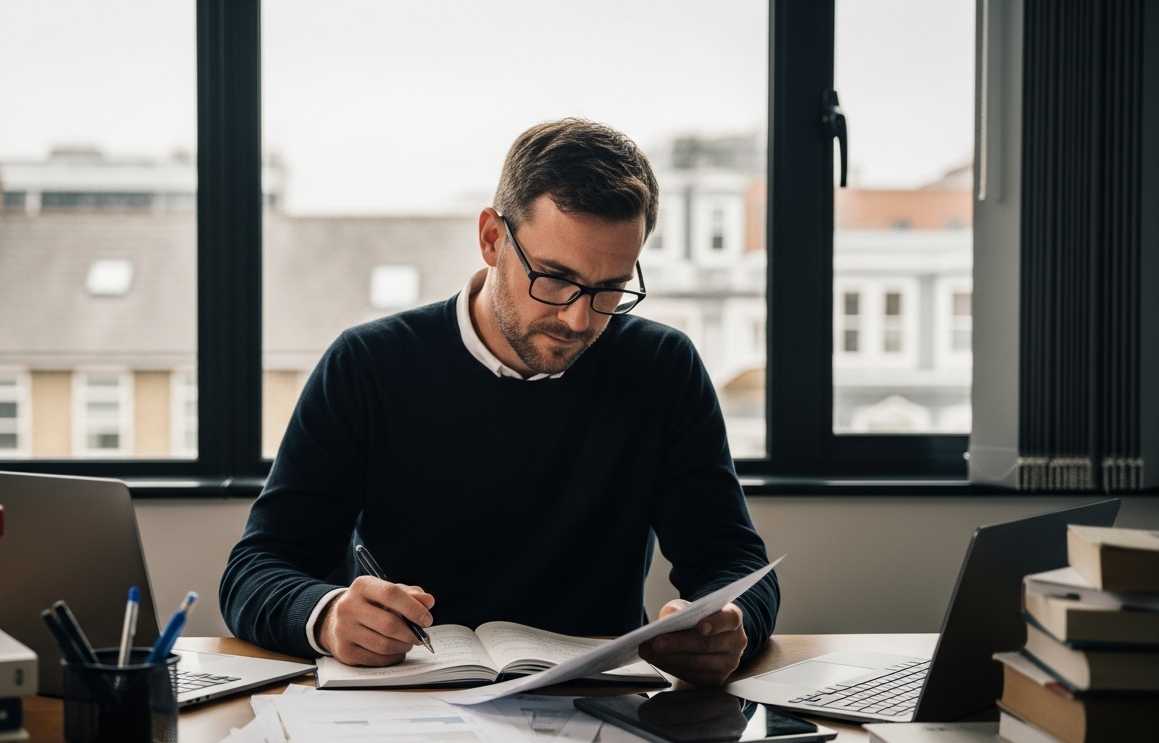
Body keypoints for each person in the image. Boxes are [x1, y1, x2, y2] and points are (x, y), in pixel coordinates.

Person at [220, 118, 778, 687]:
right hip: (406, 706)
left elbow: (734, 563)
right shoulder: (368, 364)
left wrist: (729, 624)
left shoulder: (663, 367)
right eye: (555, 279)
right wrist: (328, 616)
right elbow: (255, 570)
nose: (579, 318)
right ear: (491, 238)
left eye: (610, 288)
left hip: (599, 710)